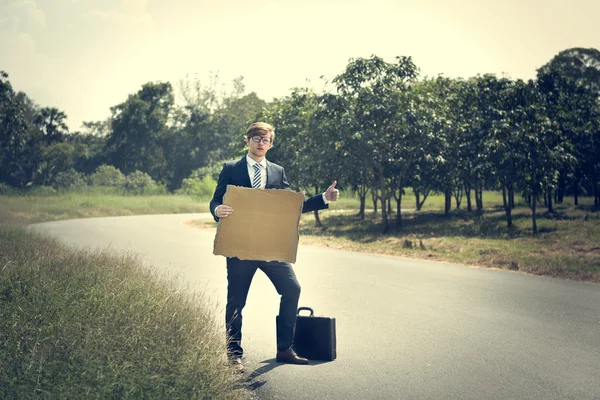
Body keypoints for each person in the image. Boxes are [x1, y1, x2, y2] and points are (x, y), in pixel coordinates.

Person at [210, 122, 339, 370]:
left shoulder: (278, 171)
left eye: (266, 139)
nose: (261, 142)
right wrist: (217, 209)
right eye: (256, 138)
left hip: (271, 249)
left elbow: (289, 205)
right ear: (247, 140)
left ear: (271, 143)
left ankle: (284, 349)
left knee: (292, 289)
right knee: (236, 302)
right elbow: (216, 198)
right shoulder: (231, 168)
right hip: (241, 248)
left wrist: (323, 198)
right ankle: (234, 355)